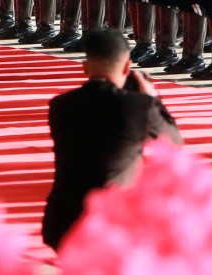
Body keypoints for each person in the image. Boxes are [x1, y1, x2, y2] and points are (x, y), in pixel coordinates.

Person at [41, 28, 181, 250]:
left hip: (63, 223)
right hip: (115, 226)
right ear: (127, 67)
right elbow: (173, 143)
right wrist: (153, 99)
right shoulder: (139, 107)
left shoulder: (60, 106)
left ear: (85, 67)